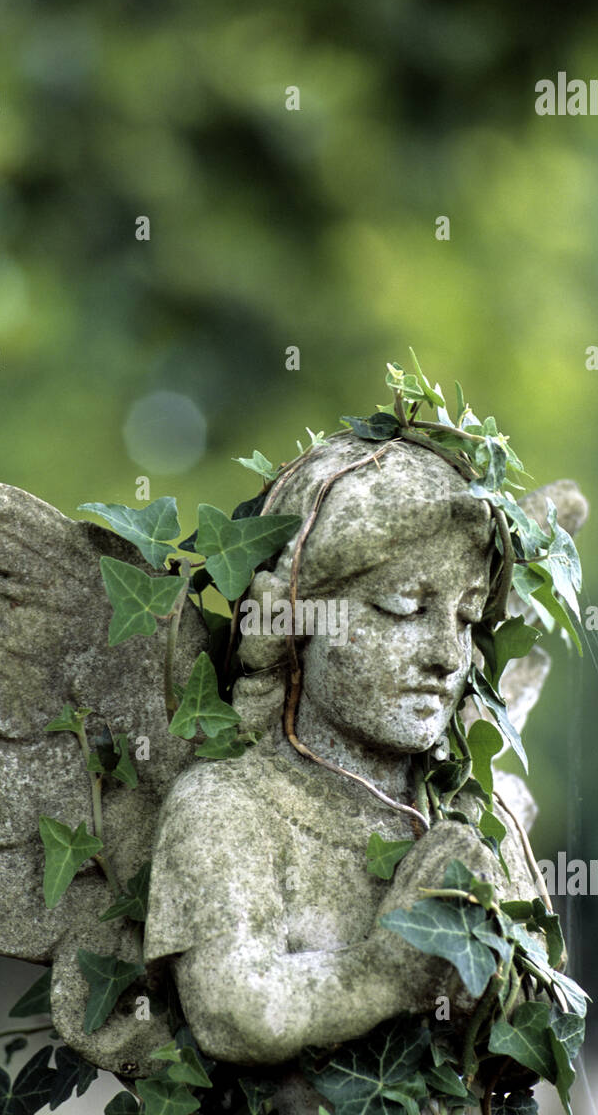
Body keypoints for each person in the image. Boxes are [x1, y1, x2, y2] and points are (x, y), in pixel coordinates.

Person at [144, 433, 539, 1065]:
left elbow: (543, 1027)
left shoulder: (464, 819)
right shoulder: (229, 810)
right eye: (404, 608)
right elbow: (232, 1011)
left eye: (465, 618)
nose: (445, 654)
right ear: (296, 621)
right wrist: (387, 972)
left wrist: (492, 987)